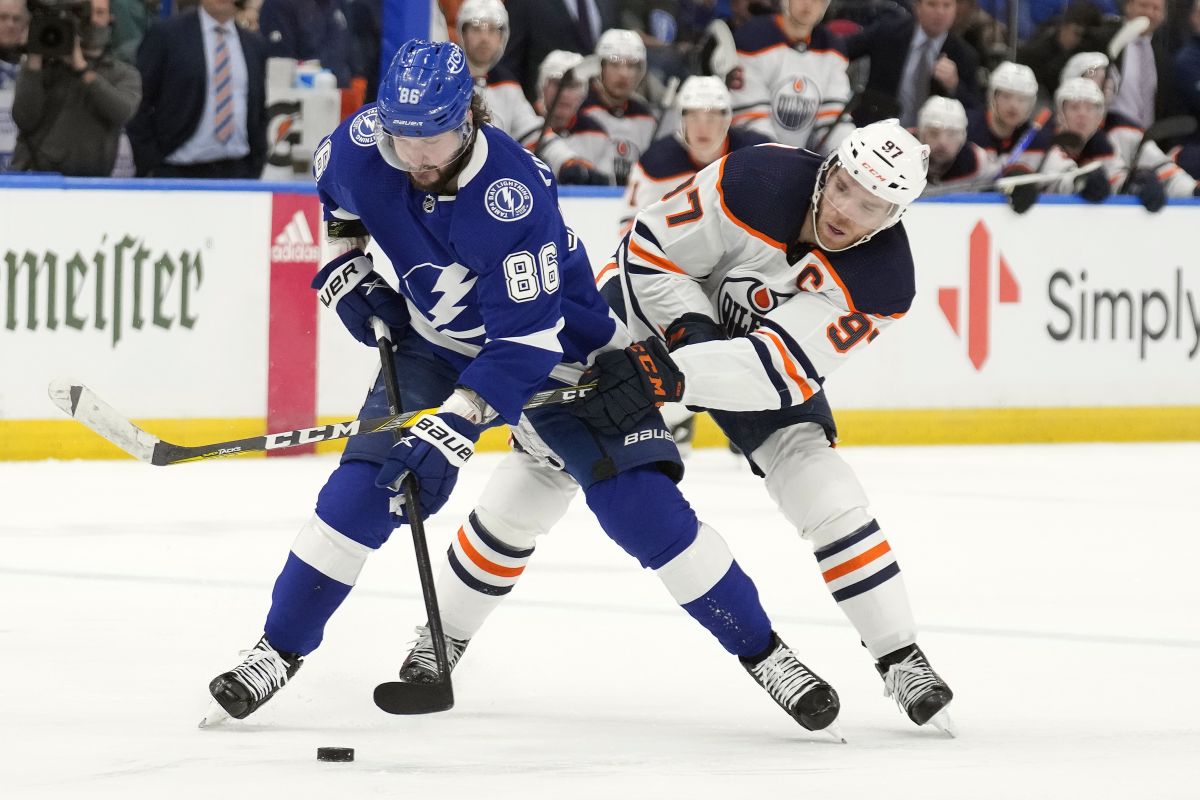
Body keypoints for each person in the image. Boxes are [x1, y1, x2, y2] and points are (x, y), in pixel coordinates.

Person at [201, 39, 843, 738]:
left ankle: (767, 654)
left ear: (470, 118)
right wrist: (345, 271)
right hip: (435, 346)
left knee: (644, 512)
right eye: (402, 135)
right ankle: (276, 650)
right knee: (360, 494)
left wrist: (453, 428)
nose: (414, 155)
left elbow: (525, 343)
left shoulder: (513, 196)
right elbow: (339, 208)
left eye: (433, 137)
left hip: (561, 351)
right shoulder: (361, 145)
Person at [397, 118, 957, 736]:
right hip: (634, 325)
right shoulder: (757, 177)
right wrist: (687, 332)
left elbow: (778, 366)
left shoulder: (882, 280)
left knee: (826, 488)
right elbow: (648, 250)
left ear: (896, 215)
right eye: (847, 186)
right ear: (830, 168)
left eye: (872, 205)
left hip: (743, 364)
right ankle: (443, 634)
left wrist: (677, 373)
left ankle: (900, 656)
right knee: (541, 464)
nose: (847, 211)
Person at [457, 0, 609, 185]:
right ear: (462, 32)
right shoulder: (444, 81)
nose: (484, 38)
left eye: (493, 29)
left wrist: (569, 163)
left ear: (503, 37)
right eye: (476, 28)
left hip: (493, 186)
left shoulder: (507, 84)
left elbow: (534, 134)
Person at [127, 0, 268, 179]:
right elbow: (139, 99)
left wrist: (256, 162)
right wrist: (151, 161)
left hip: (237, 173)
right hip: (178, 172)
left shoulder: (254, 44)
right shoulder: (167, 34)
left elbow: (259, 109)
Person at [10, 0, 141, 176]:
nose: (92, 20)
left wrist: (81, 69)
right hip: (37, 180)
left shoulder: (122, 73)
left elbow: (122, 112)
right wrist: (35, 54)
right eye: (83, 14)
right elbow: (24, 119)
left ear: (111, 19)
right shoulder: (43, 66)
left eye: (100, 13)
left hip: (90, 184)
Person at [1062, 50, 1196, 199]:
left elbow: (1167, 174)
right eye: (1095, 78)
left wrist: (1192, 191)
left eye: (1108, 79)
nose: (1106, 85)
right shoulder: (1049, 134)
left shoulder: (1125, 130)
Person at [728, 0, 854, 154]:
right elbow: (749, 119)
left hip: (801, 160)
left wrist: (849, 154)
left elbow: (833, 119)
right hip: (752, 157)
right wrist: (780, 160)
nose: (809, 4)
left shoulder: (832, 48)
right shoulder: (753, 38)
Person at [845, 0, 982, 127]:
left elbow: (976, 108)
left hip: (930, 140)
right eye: (932, 4)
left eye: (947, 5)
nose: (940, 12)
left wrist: (954, 86)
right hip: (876, 125)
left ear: (955, 10)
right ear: (918, 7)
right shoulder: (888, 32)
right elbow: (843, 49)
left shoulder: (965, 55)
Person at [574, 28, 657, 185]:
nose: (623, 74)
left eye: (631, 65)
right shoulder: (579, 109)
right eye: (614, 64)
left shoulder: (646, 116)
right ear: (600, 67)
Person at [501, 0, 620, 102]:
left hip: (597, 114)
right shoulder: (526, 3)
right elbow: (510, 62)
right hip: (541, 114)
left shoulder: (608, 3)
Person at [966, 61, 1049, 175]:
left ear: (1031, 104)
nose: (1014, 105)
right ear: (992, 97)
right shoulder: (968, 130)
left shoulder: (1038, 141)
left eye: (1022, 99)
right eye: (1006, 96)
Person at [258, 0, 353, 88]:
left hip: (341, 89)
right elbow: (281, 63)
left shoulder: (336, 3)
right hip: (304, 94)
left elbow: (345, 45)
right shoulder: (279, 5)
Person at [916, 95, 988, 190]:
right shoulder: (900, 150)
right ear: (921, 134)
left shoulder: (979, 162)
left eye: (952, 134)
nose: (942, 142)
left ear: (962, 138)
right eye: (934, 133)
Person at [0, 0, 26, 171]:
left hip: (25, 172)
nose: (10, 24)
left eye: (16, 19)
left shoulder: (37, 68)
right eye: (3, 17)